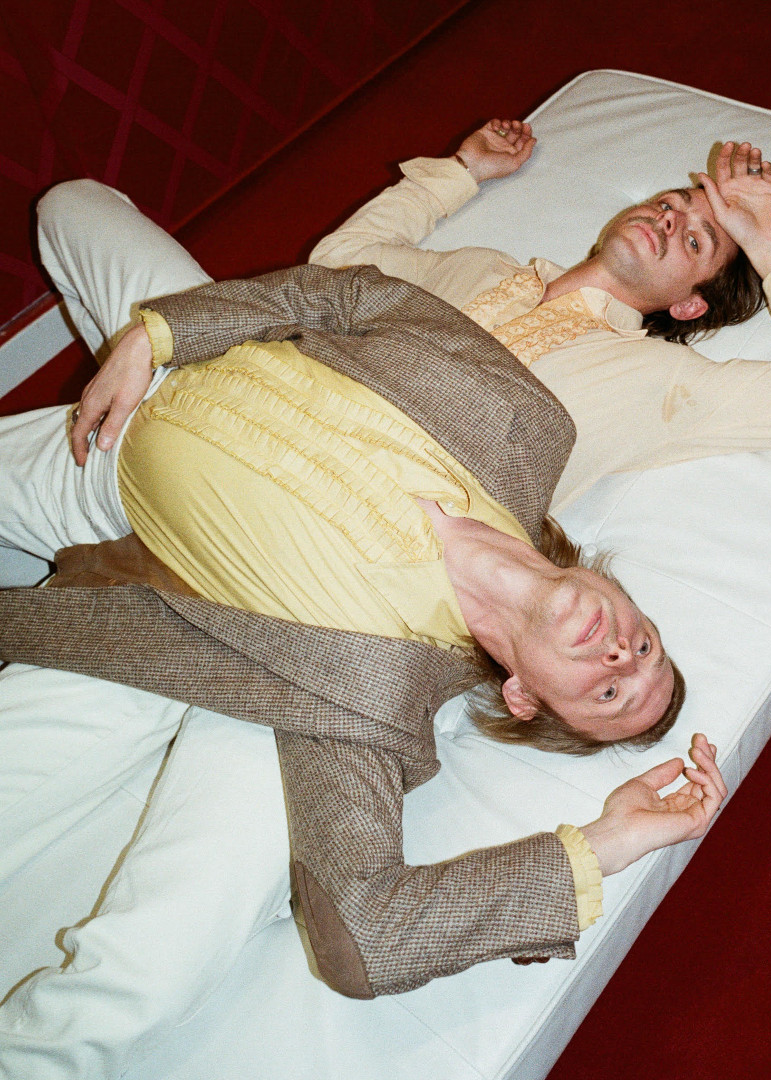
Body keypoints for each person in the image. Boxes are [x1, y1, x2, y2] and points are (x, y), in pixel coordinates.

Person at [0, 259, 724, 1078]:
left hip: (104, 496)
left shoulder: (373, 699)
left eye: (610, 691)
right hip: (152, 380)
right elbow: (352, 296)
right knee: (77, 206)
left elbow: (369, 936)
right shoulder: (530, 424)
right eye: (646, 646)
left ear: (524, 696)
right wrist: (158, 334)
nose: (623, 655)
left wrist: (607, 841)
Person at [61, 122, 771, 518]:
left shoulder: (662, 383)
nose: (667, 217)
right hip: (215, 396)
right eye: (671, 201)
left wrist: (770, 244)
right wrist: (462, 171)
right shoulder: (485, 270)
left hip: (308, 513)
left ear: (689, 305)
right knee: (73, 204)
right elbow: (341, 259)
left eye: (695, 239)